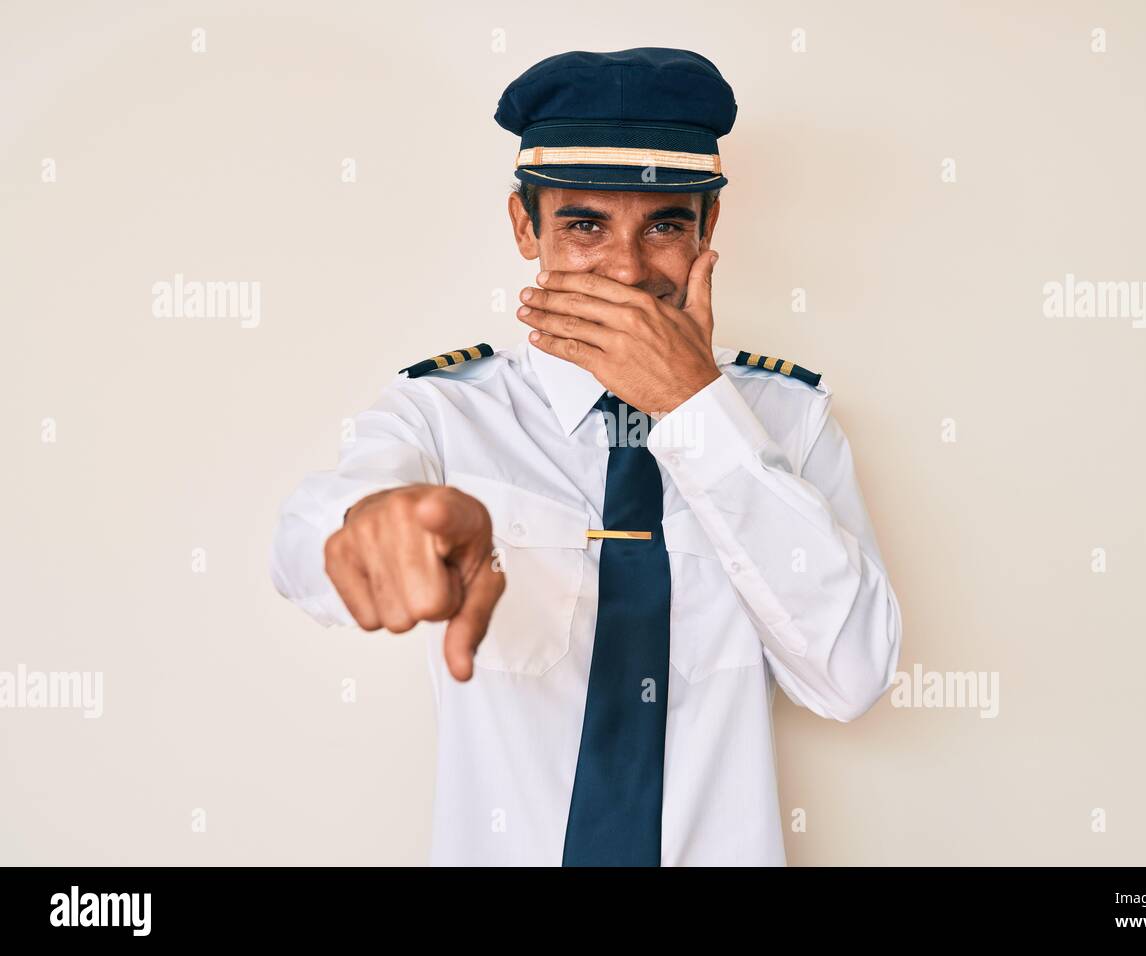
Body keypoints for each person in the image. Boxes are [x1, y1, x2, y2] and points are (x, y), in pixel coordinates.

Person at [271, 47, 902, 866]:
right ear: (525, 226)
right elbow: (308, 541)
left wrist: (694, 409)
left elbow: (851, 676)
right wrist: (367, 528)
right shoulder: (445, 412)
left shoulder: (787, 419)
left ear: (709, 230)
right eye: (584, 224)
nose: (630, 270)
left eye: (666, 225)